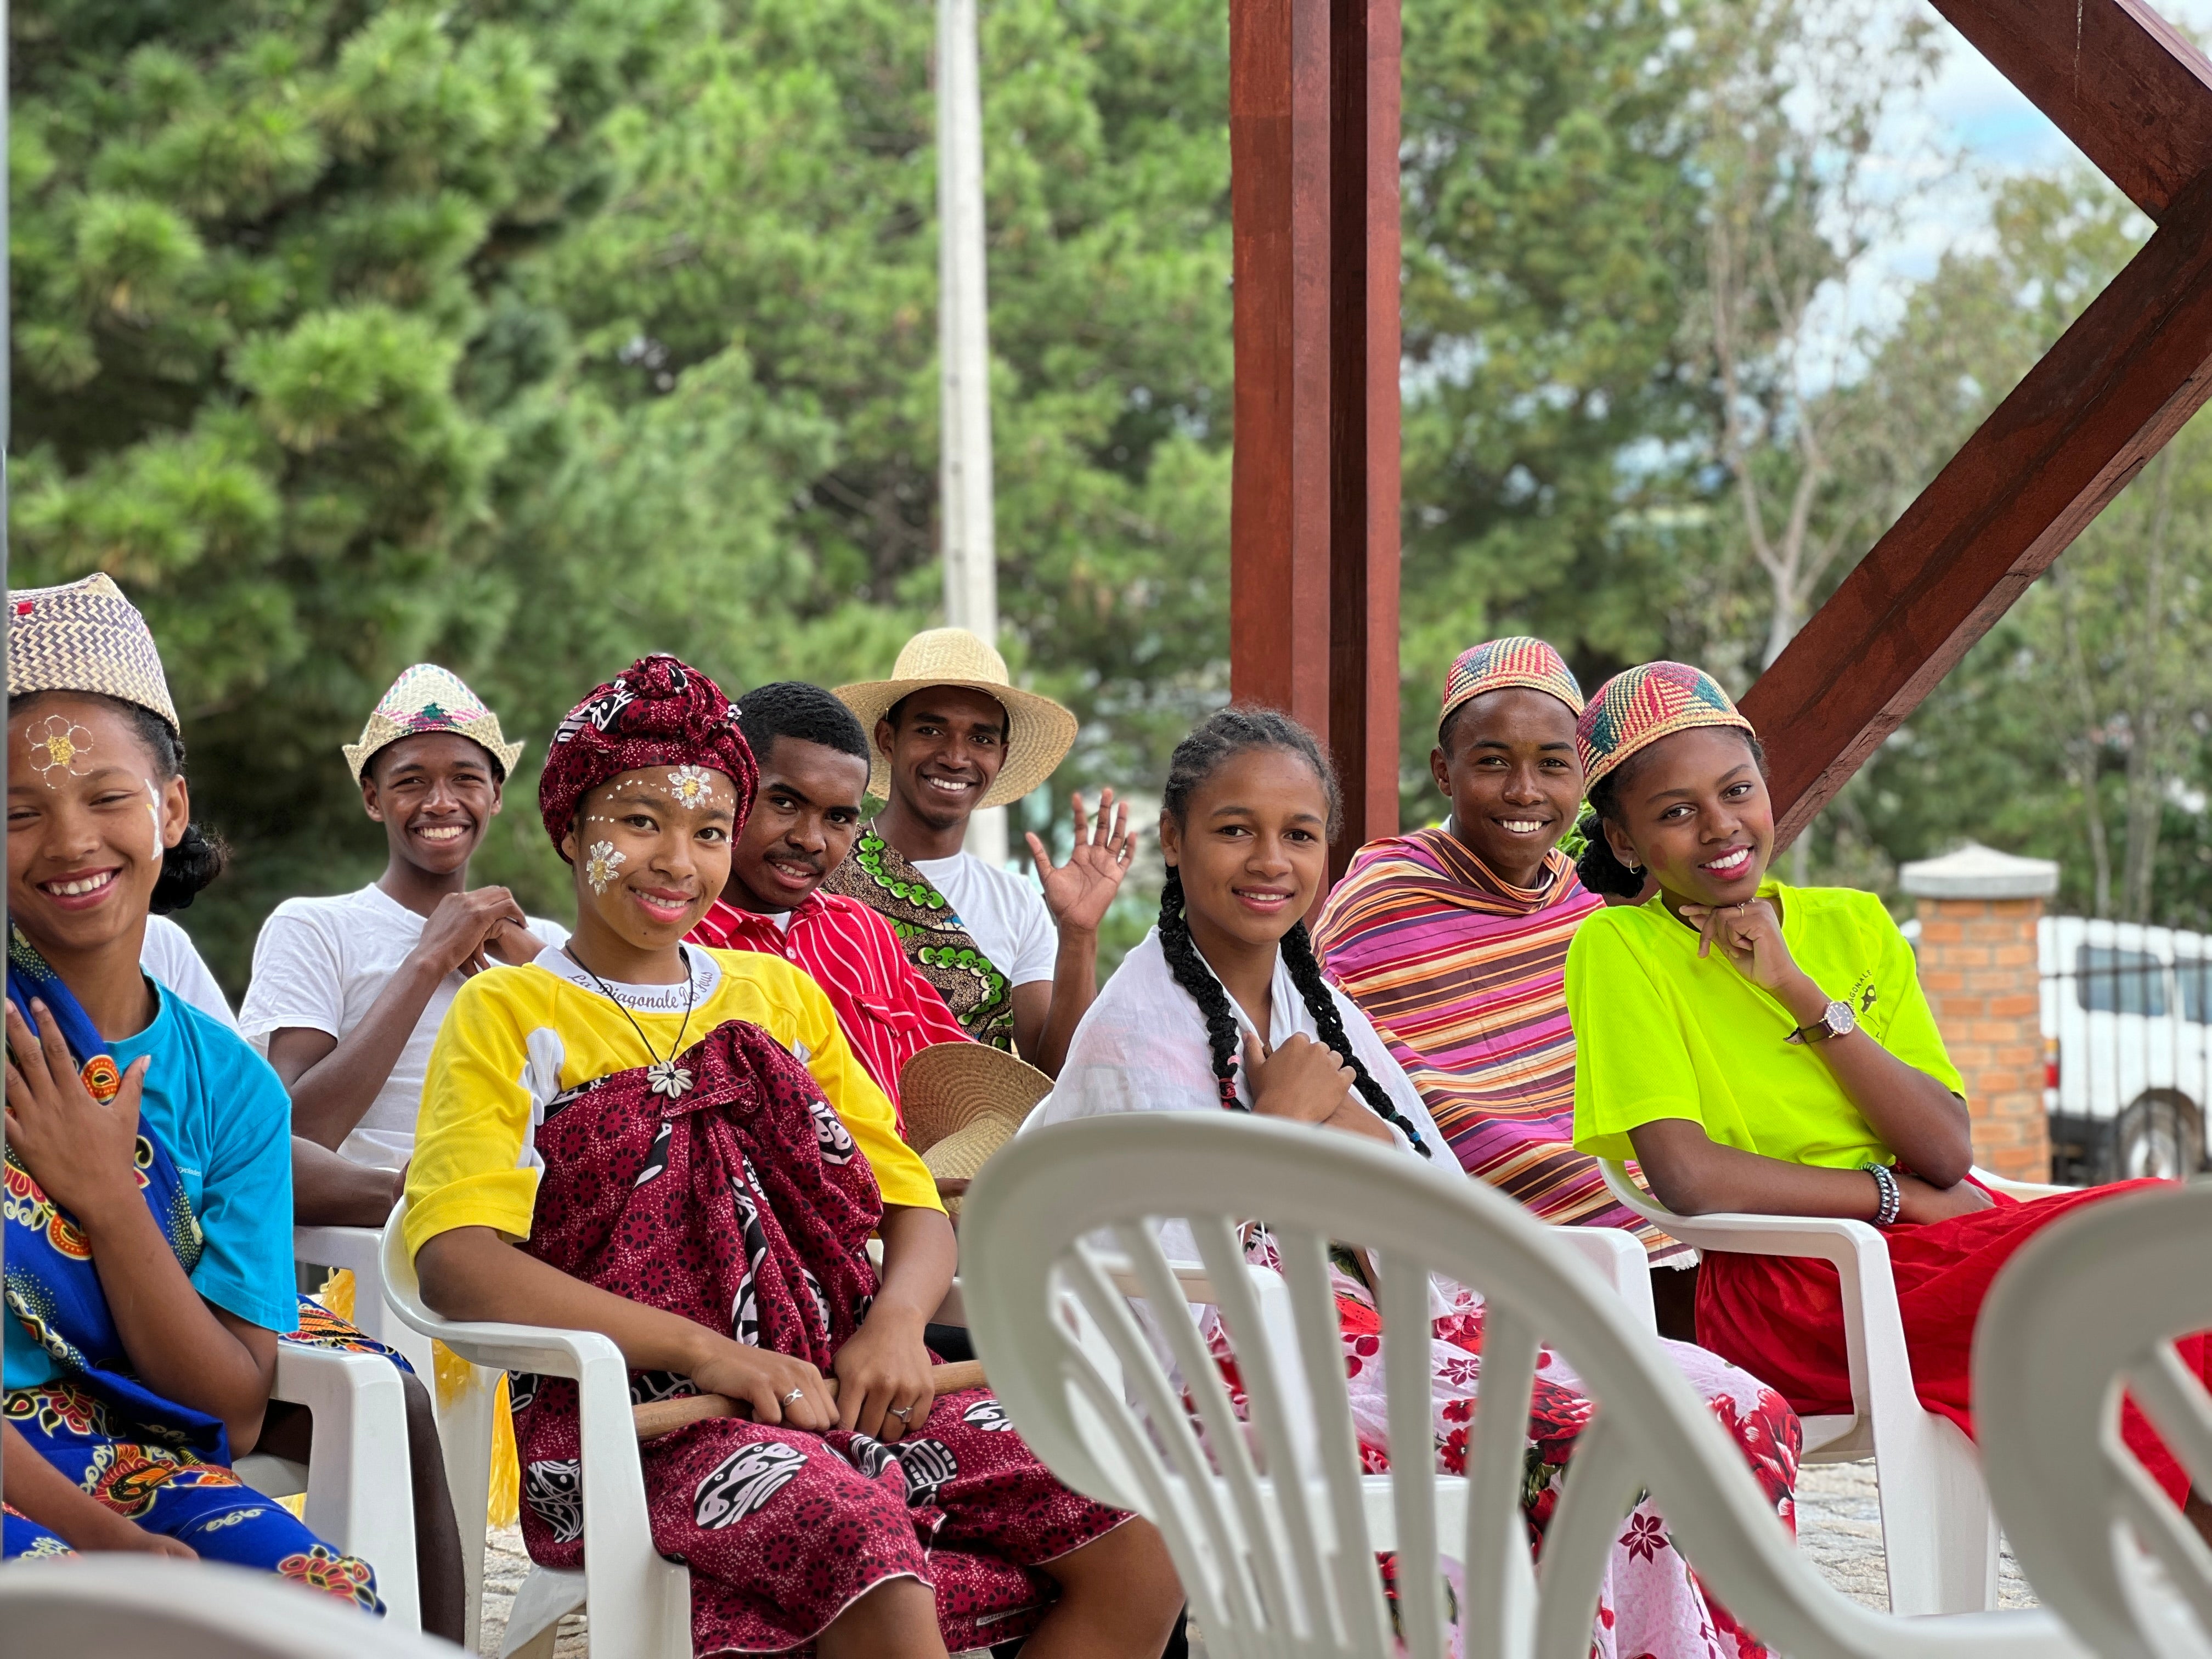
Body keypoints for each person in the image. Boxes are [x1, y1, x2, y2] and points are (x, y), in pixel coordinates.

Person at [404, 653, 1181, 1659]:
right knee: (868, 1547)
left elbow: (909, 1202)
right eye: (640, 820)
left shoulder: (779, 998)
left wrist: (899, 1325)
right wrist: (710, 1350)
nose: (678, 859)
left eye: (710, 829)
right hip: (643, 1427)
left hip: (844, 1387)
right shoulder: (509, 1011)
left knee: (1136, 1519)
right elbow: (456, 1260)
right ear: (568, 828)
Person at [1036, 706, 1801, 1659]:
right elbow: (1168, 1278)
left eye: (1299, 834)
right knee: (1589, 1437)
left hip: (1393, 1324)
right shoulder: (1136, 1029)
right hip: (1247, 1375)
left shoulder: (1318, 1007)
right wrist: (1283, 1123)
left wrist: (1334, 1114)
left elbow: (1427, 1200)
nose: (1270, 859)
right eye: (1235, 829)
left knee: (1731, 1404)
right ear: (1173, 840)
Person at [1566, 659, 2212, 1537]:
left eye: (1737, 790)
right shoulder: (1618, 947)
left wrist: (1798, 991)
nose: (1721, 827)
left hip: (1929, 1255)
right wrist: (1893, 1198)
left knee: (2169, 1234)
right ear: (1627, 840)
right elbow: (1687, 1176)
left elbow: (1946, 1149)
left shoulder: (1853, 924)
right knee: (2129, 1280)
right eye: (1676, 812)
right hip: (1789, 1294)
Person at [0, 573, 381, 1607]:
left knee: (324, 1602)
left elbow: (234, 1406)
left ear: (171, 806)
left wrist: (106, 1194)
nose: (72, 839)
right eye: (19, 811)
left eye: (107, 797)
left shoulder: (233, 1092)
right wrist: (93, 1535)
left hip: (130, 1453)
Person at [1314, 639, 1677, 1261]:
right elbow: (1346, 1083)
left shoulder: (1584, 911)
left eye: (1554, 765)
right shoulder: (1381, 902)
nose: (1524, 791)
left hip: (1660, 1217)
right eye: (1492, 763)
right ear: (1441, 772)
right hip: (1496, 1250)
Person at [240, 663, 566, 1200]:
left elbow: (610, 1101)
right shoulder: (316, 928)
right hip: (365, 1251)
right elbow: (286, 1136)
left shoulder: (544, 943)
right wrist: (428, 961)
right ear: (372, 798)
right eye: (411, 781)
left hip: (526, 1240)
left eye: (465, 778)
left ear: (497, 794)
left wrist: (535, 962)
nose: (441, 802)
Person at [823, 627, 1134, 1075]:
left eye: (981, 739)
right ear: (888, 739)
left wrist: (1080, 934)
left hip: (974, 1141)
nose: (955, 756)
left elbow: (1054, 1074)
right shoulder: (825, 867)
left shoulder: (1017, 903)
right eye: (930, 730)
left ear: (1002, 757)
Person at [687, 681, 968, 1118]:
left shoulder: (863, 932)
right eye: (784, 803)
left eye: (838, 818)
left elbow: (955, 1078)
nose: (810, 840)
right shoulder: (677, 944)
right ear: (728, 792)